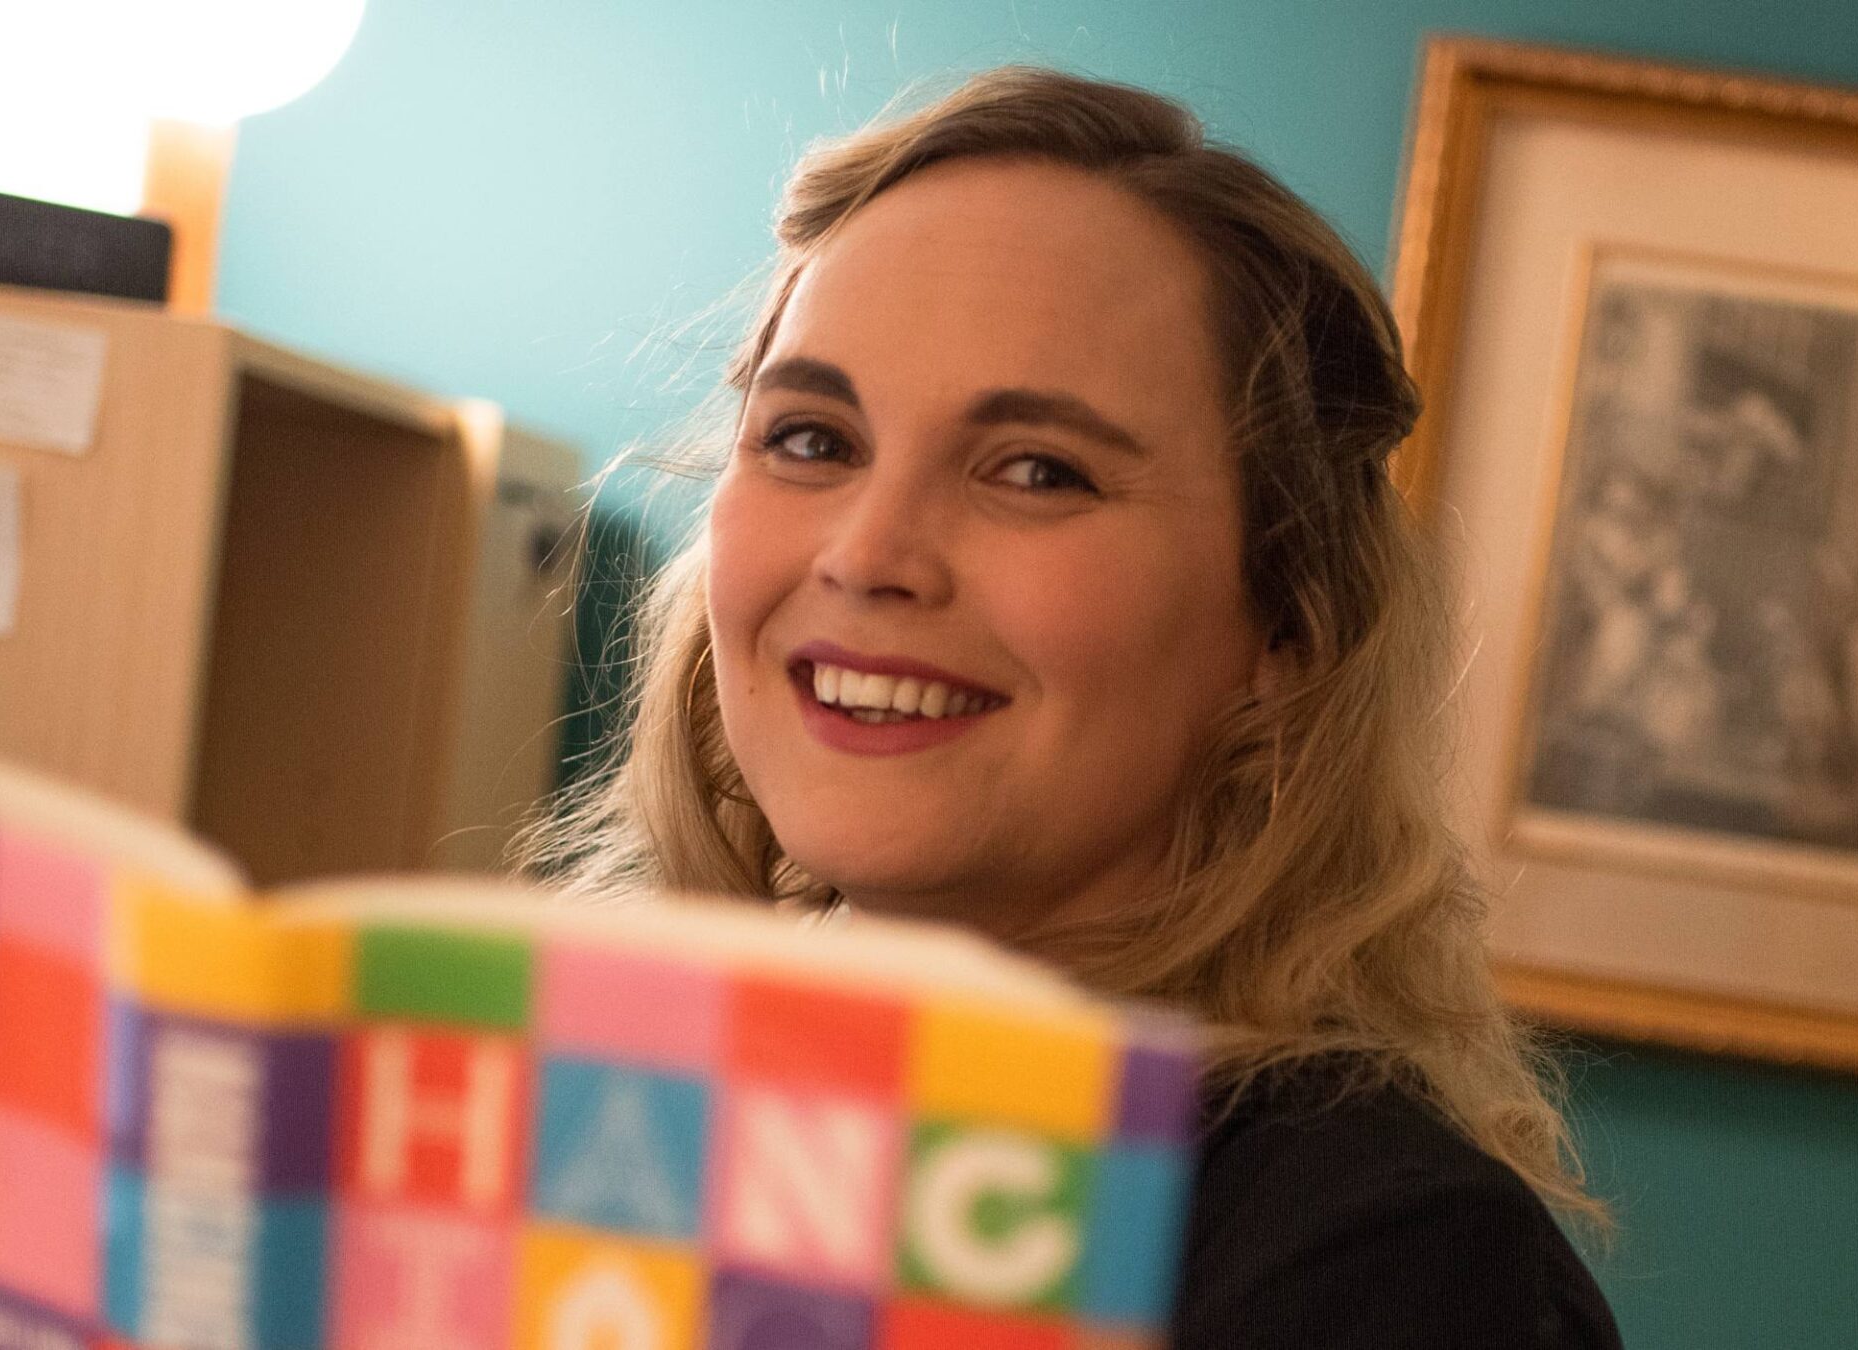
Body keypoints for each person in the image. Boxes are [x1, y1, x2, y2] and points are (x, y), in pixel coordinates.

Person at [523, 65, 1621, 1349]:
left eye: (1037, 471)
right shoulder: (588, 1113)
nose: (871, 554)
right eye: (814, 439)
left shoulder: (1386, 1257)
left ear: (1282, 630)